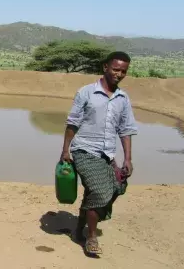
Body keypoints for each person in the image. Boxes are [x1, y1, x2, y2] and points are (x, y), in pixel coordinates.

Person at [60, 51, 138, 255]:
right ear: (105, 67)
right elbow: (73, 123)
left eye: (123, 71)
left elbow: (126, 129)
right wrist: (65, 150)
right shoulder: (86, 92)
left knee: (116, 188)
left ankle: (78, 229)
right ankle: (91, 237)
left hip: (107, 154)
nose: (119, 74)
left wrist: (127, 158)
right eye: (115, 69)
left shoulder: (123, 98)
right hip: (84, 149)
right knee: (100, 191)